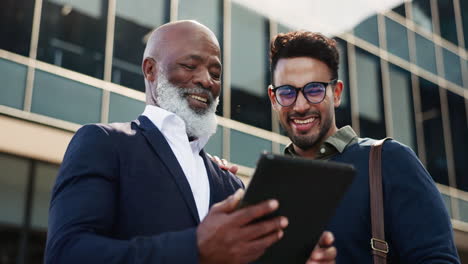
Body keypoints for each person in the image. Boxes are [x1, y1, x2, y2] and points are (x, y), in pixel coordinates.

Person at [44, 21, 336, 264]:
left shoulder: (230, 184)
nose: (206, 80)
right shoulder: (104, 144)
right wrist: (196, 248)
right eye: (189, 65)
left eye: (216, 73)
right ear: (150, 70)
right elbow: (66, 253)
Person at [265, 30, 460, 263]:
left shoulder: (388, 160)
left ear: (336, 94)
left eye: (314, 90)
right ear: (274, 98)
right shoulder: (268, 189)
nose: (300, 105)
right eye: (287, 92)